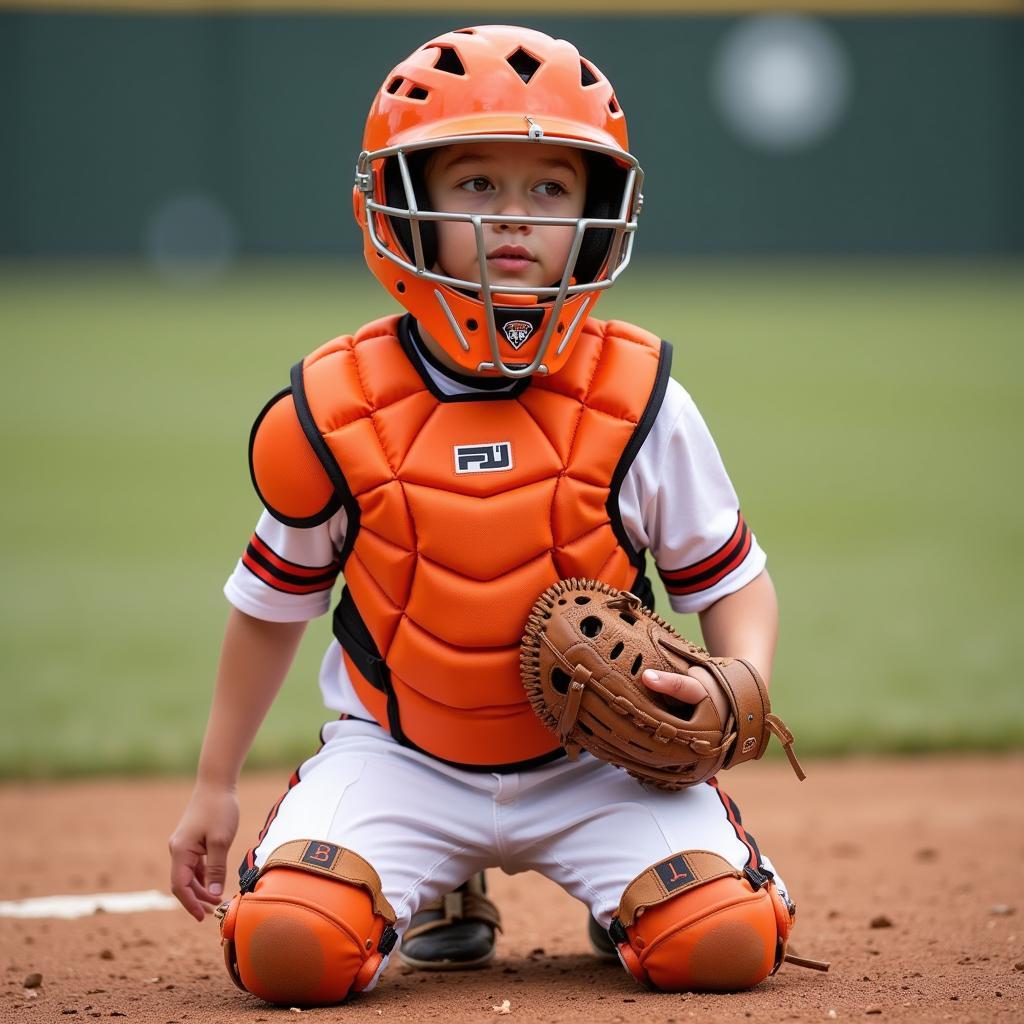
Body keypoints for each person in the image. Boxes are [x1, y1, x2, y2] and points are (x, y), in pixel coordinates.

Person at [168, 24, 804, 1006]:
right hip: (399, 758)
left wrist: (739, 677)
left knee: (720, 943)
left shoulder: (637, 394)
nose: (512, 217)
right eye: (474, 185)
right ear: (403, 206)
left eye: (548, 188)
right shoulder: (338, 405)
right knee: (289, 951)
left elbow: (730, 575)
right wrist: (214, 780)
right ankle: (431, 882)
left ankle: (624, 893)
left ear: (597, 207)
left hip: (596, 763)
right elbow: (270, 601)